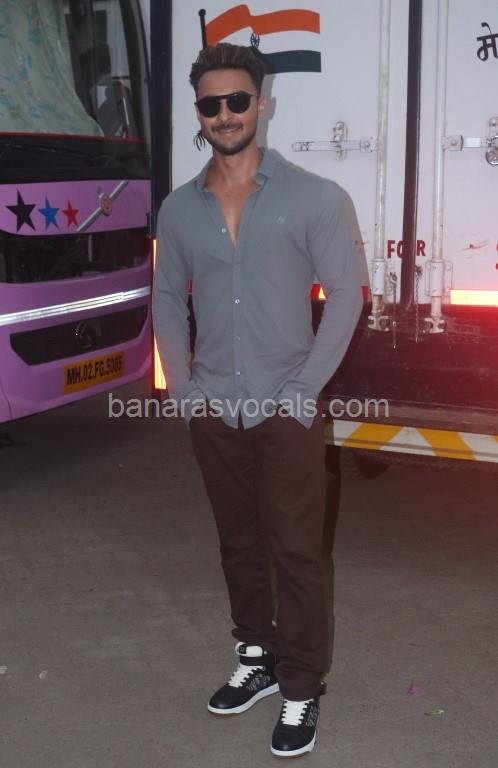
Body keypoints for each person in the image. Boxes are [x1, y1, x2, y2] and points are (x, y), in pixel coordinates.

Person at [153, 42, 363, 758]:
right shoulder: (178, 209)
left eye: (237, 100)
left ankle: (301, 686)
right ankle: (257, 658)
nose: (225, 114)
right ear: (199, 113)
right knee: (237, 545)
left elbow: (346, 296)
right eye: (210, 104)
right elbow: (166, 297)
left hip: (286, 409)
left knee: (297, 553)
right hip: (215, 408)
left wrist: (304, 392)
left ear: (261, 104)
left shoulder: (315, 198)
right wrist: (183, 389)